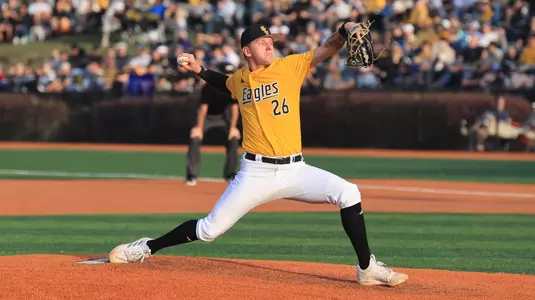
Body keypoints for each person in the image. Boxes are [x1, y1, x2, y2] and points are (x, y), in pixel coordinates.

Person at [108, 23, 409, 287]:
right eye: (263, 43)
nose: (270, 46)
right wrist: (198, 69)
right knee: (209, 230)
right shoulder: (240, 80)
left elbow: (328, 47)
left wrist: (346, 28)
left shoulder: (291, 66)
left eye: (271, 42)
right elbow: (223, 84)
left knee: (349, 193)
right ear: (247, 51)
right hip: (256, 173)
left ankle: (367, 268)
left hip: (295, 169)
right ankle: (146, 247)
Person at [185, 62, 241, 186]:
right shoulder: (210, 87)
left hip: (222, 117)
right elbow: (203, 109)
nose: (229, 76)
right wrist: (198, 128)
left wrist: (233, 128)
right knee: (195, 138)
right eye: (226, 73)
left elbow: (234, 108)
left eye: (231, 73)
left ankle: (230, 174)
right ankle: (191, 175)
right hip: (207, 117)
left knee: (233, 138)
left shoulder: (234, 86)